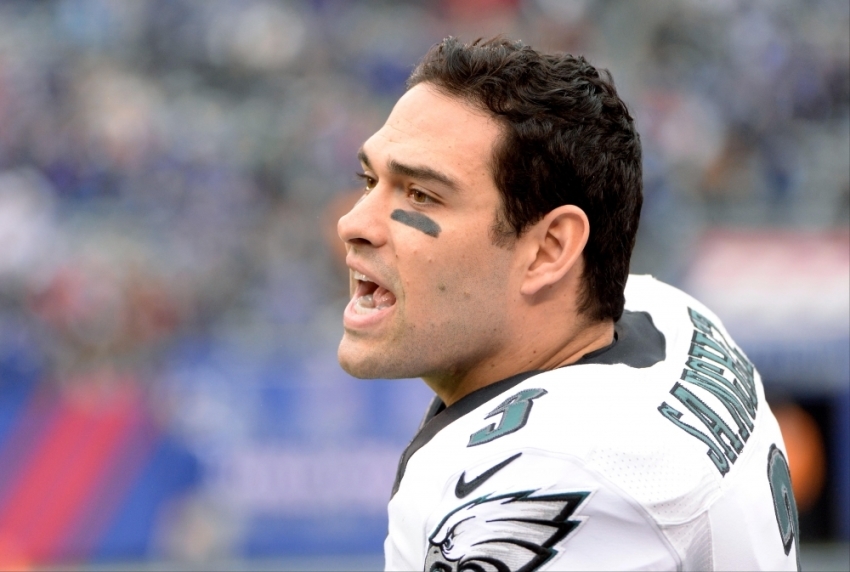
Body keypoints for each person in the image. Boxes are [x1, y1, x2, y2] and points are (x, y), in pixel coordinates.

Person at [337, 37, 799, 571]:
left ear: (550, 249)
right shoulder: (668, 314)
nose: (353, 224)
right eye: (369, 180)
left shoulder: (548, 474)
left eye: (421, 194)